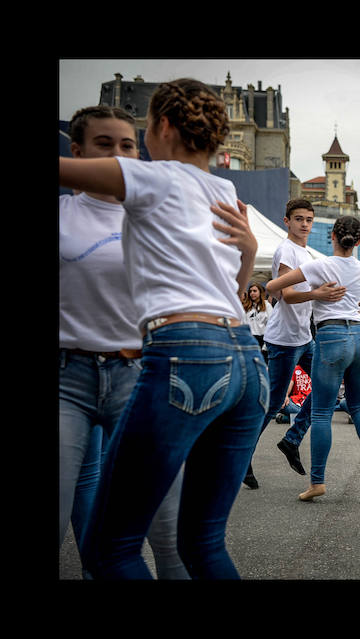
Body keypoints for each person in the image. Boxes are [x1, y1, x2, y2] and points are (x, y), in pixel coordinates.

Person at [59, 79, 264, 579]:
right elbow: (230, 290)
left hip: (186, 353)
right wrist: (251, 253)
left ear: (163, 127)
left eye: (142, 130)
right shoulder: (223, 189)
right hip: (245, 359)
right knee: (203, 545)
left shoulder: (152, 178)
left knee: (112, 549)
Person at [59, 105, 187, 579]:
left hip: (140, 375)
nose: (118, 155)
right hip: (66, 378)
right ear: (77, 153)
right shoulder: (64, 214)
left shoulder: (158, 216)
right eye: (104, 145)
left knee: (169, 532)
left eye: (128, 145)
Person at [267, 216, 360, 502]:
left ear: (332, 236)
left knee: (320, 412)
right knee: (359, 408)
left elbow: (274, 288)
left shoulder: (318, 265)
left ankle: (317, 482)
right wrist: (356, 296)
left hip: (331, 337)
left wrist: (316, 293)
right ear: (358, 241)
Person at [243, 281, 273, 356]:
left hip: (263, 340)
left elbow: (271, 325)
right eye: (250, 291)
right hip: (250, 339)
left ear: (260, 292)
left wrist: (266, 345)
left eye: (255, 291)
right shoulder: (247, 307)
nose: (252, 293)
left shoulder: (267, 305)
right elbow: (243, 324)